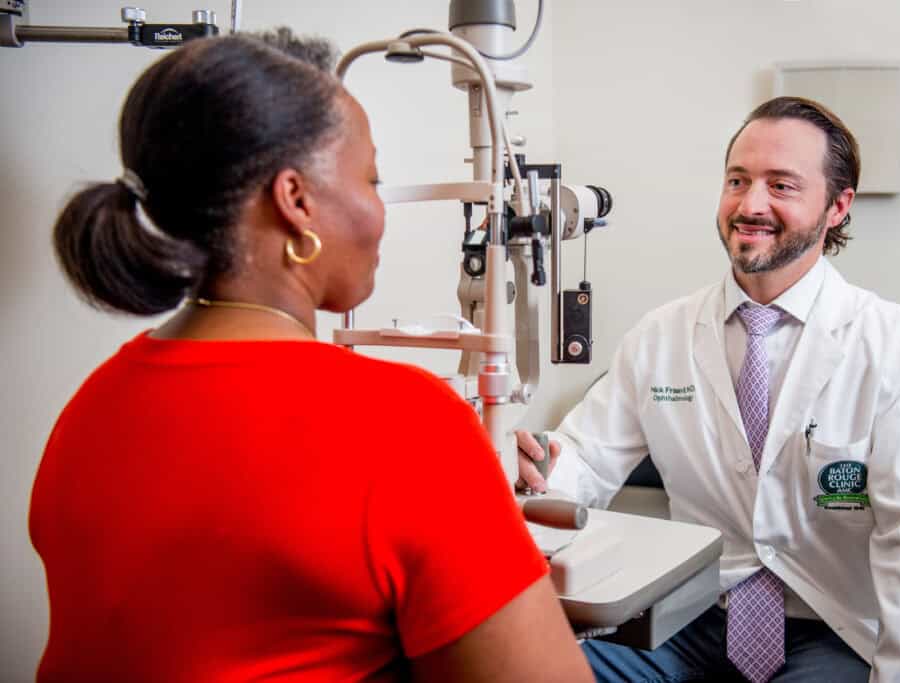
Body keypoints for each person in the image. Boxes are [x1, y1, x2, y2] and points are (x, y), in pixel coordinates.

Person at [30, 28, 593, 683]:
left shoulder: (89, 409)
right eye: (371, 178)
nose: (381, 208)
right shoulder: (408, 424)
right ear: (296, 201)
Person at [517, 96, 900, 682]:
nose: (750, 204)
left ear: (838, 206)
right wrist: (537, 474)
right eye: (738, 180)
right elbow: (584, 457)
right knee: (528, 666)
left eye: (781, 185)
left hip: (831, 626)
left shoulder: (897, 345)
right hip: (690, 617)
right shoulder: (661, 336)